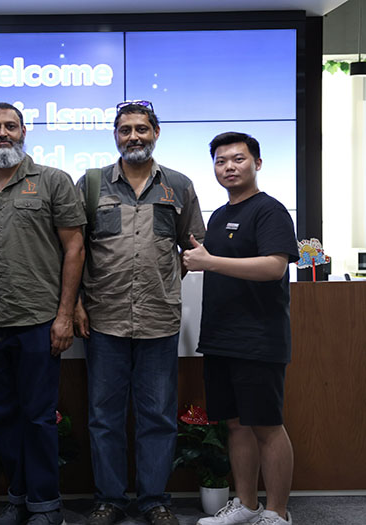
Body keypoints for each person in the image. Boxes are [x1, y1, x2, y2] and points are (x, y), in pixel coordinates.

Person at [74, 100, 205, 525]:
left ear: (156, 133)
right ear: (115, 135)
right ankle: (109, 500)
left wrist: (162, 282)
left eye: (142, 129)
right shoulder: (91, 184)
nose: (134, 136)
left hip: (159, 320)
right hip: (104, 319)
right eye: (126, 130)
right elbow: (73, 251)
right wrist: (76, 303)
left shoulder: (179, 185)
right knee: (104, 418)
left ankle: (154, 500)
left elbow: (193, 249)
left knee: (158, 417)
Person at [0, 102, 86, 525]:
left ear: (23, 131)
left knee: (38, 416)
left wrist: (64, 315)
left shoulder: (52, 181)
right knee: (5, 416)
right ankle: (17, 498)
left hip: (39, 320)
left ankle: (46, 505)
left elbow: (74, 248)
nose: (3, 133)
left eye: (10, 126)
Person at [183, 132, 298, 525]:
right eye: (221, 161)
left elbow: (274, 267)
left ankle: (277, 513)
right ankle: (247, 506)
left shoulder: (270, 210)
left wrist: (209, 262)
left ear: (257, 163)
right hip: (220, 337)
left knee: (267, 426)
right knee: (235, 425)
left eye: (238, 159)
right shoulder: (218, 215)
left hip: (258, 338)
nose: (229, 167)